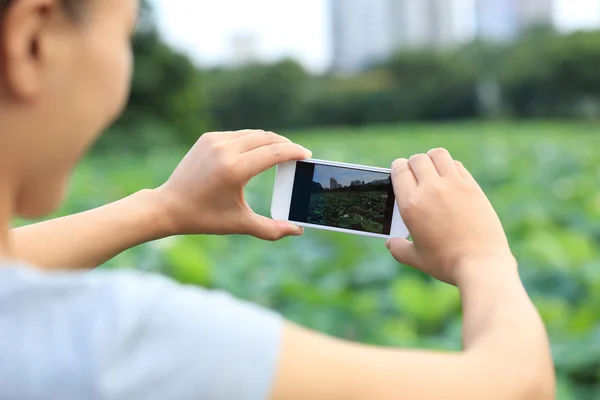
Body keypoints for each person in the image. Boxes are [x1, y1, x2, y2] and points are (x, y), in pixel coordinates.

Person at [0, 0, 555, 399]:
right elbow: (518, 386)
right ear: (33, 40)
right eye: (125, 32)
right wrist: (482, 259)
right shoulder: (123, 341)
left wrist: (163, 209)